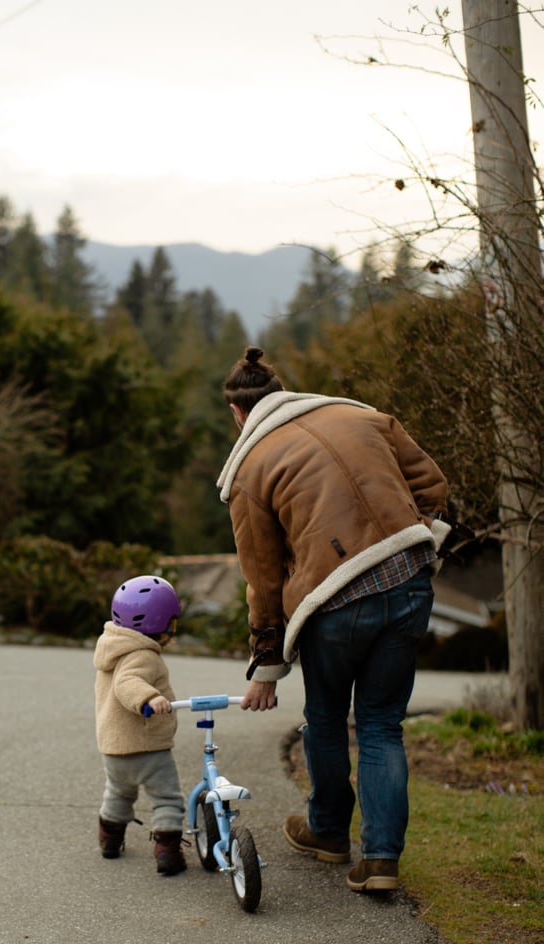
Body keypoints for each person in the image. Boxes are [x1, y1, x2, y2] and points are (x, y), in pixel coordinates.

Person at [218, 346, 451, 893]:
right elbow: (433, 488)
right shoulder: (365, 416)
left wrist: (266, 663)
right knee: (380, 725)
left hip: (334, 602)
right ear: (282, 391)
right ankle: (381, 861)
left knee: (325, 719)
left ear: (237, 414)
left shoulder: (250, 469)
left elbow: (265, 579)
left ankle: (326, 831)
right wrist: (421, 543)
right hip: (409, 581)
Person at [93, 574, 187, 876]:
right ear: (162, 623)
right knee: (167, 798)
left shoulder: (113, 647)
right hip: (147, 747)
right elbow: (127, 683)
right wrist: (149, 698)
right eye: (173, 622)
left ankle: (109, 838)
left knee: (119, 794)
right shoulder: (144, 655)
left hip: (114, 749)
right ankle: (168, 851)